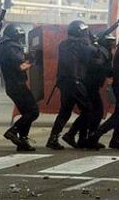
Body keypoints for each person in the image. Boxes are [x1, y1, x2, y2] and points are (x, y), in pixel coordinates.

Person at [46, 20, 101, 150]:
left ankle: (53, 138)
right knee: (88, 110)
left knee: (65, 111)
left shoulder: (64, 44)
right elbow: (96, 56)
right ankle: (71, 134)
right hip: (75, 81)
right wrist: (95, 42)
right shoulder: (81, 45)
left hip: (64, 81)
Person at [0, 24, 39, 151]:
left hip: (13, 85)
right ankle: (13, 131)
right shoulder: (10, 47)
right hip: (17, 85)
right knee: (33, 112)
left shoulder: (5, 46)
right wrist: (33, 61)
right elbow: (20, 66)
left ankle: (22, 141)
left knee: (26, 113)